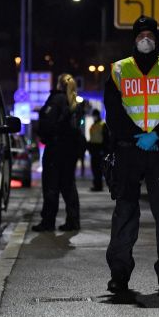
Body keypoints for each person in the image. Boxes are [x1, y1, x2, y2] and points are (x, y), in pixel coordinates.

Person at [104, 15, 159, 296]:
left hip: (158, 150)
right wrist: (136, 137)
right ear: (134, 38)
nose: (146, 39)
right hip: (129, 150)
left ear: (157, 37)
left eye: (150, 34)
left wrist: (158, 135)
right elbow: (113, 112)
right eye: (141, 35)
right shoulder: (118, 70)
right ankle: (119, 275)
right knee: (125, 213)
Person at [33, 73, 84, 232]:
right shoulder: (75, 102)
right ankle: (73, 220)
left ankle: (48, 221)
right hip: (71, 150)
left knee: (51, 185)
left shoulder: (56, 99)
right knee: (68, 185)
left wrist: (42, 135)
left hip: (55, 149)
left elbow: (46, 124)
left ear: (58, 85)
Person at [88, 109, 109, 191]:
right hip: (93, 150)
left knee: (98, 170)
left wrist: (104, 150)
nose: (94, 117)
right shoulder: (93, 125)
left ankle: (98, 186)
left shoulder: (102, 125)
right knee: (94, 168)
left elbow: (106, 138)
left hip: (99, 150)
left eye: (95, 115)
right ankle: (96, 185)